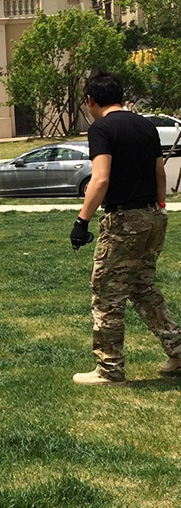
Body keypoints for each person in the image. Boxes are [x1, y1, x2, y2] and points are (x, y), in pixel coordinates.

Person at [70, 71, 181, 385]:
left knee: (107, 292)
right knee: (142, 287)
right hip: (153, 216)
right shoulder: (145, 126)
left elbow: (100, 178)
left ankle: (109, 369)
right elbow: (160, 171)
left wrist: (81, 222)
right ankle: (178, 350)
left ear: (90, 100)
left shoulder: (102, 128)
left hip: (124, 220)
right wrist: (159, 207)